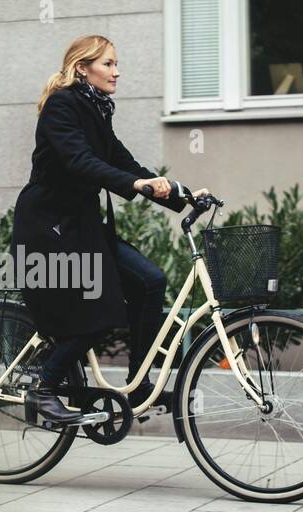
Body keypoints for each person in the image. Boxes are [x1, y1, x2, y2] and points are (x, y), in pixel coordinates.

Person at [12, 34, 210, 425]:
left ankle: (138, 385)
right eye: (108, 64)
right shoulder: (62, 105)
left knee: (149, 281)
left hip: (83, 226)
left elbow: (123, 161)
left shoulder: (98, 109)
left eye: (117, 64)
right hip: (50, 229)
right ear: (82, 68)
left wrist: (181, 194)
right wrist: (131, 185)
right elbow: (78, 161)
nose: (116, 72)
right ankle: (45, 389)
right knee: (97, 313)